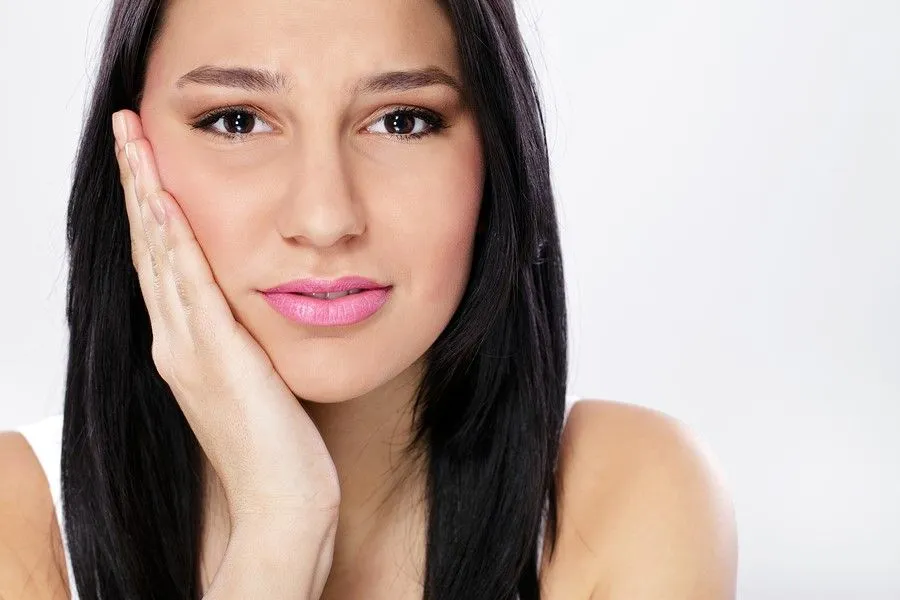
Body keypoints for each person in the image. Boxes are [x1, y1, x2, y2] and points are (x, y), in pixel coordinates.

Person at [0, 0, 737, 598]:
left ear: (496, 158)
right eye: (237, 120)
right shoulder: (17, 521)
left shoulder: (628, 497)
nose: (325, 218)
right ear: (128, 154)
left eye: (402, 120)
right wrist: (279, 525)